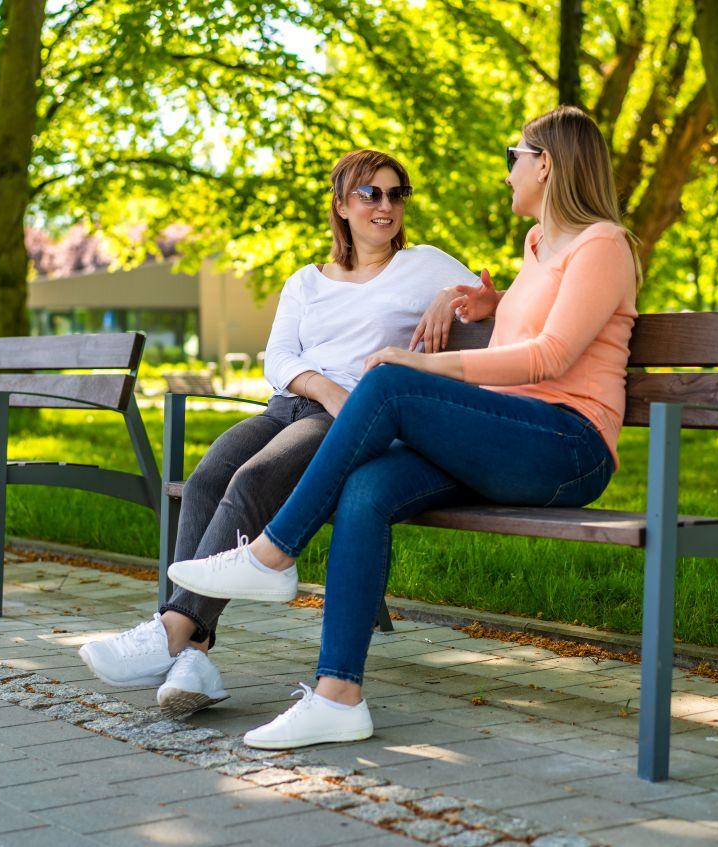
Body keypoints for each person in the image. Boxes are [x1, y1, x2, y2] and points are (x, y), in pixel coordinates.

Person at [168, 105, 639, 749]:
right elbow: (535, 319)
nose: (508, 175)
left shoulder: (603, 244)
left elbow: (553, 357)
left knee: (388, 381)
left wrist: (426, 362)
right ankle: (338, 696)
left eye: (515, 159)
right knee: (366, 488)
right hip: (505, 435)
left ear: (546, 164)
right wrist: (487, 303)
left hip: (566, 444)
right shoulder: (539, 246)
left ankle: (272, 553)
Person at [78, 149, 479, 717]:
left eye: (395, 194)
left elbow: (497, 301)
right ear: (342, 205)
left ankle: (169, 630)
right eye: (370, 194)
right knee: (205, 479)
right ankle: (195, 654)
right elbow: (278, 357)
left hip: (352, 423)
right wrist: (320, 384)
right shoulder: (306, 281)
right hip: (291, 405)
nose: (385, 206)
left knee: (253, 480)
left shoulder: (426, 265)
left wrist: (450, 295)